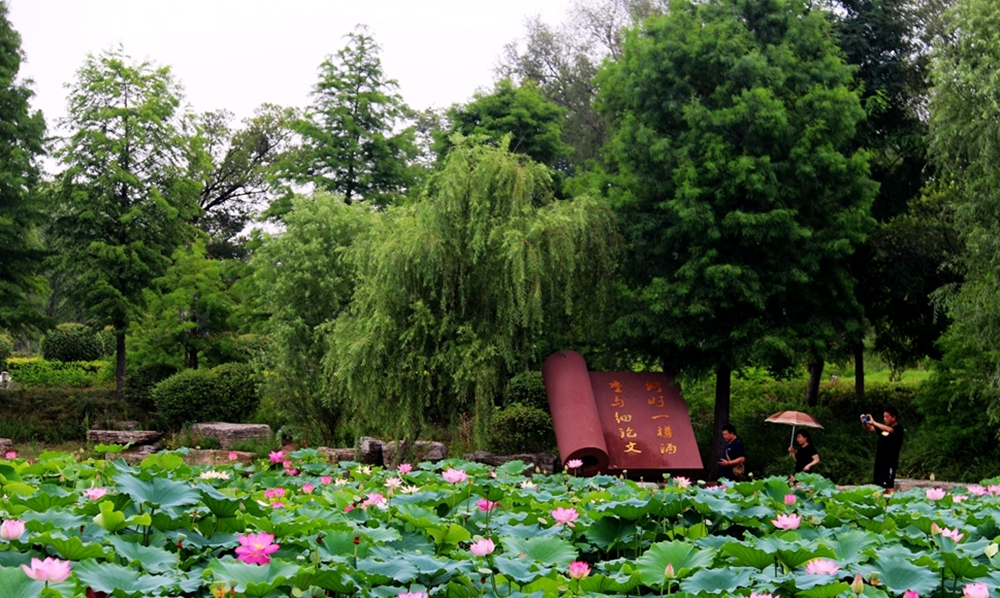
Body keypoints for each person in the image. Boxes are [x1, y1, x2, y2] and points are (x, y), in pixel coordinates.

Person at [861, 407, 903, 492]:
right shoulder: (883, 428)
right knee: (879, 486)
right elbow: (870, 428)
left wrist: (874, 422)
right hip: (880, 461)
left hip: (890, 462)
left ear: (894, 417)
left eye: (887, 417)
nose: (885, 419)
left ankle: (890, 503)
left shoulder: (898, 428)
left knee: (888, 485)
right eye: (884, 417)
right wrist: (864, 422)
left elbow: (890, 430)